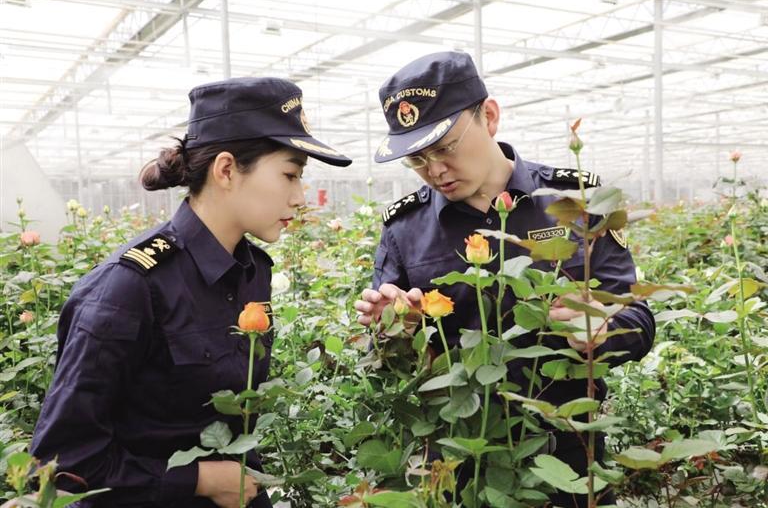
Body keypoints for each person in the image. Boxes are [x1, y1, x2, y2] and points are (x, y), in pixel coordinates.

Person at [28, 77, 351, 508]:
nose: (299, 197)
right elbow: (59, 461)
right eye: (290, 175)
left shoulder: (253, 272)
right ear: (226, 170)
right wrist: (196, 480)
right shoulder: (129, 288)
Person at [353, 51, 656, 507]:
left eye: (445, 148)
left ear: (490, 117)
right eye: (417, 159)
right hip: (462, 459)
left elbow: (638, 319)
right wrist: (396, 330)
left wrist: (601, 328)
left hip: (567, 454)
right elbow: (386, 361)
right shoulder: (405, 229)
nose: (434, 171)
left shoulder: (576, 202)